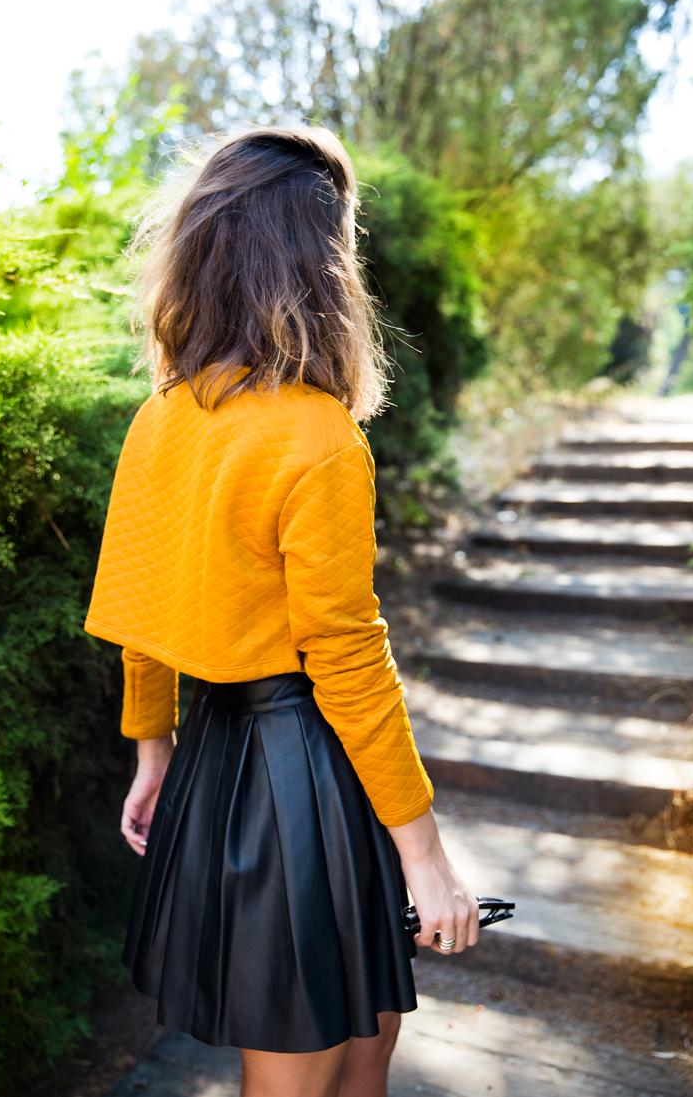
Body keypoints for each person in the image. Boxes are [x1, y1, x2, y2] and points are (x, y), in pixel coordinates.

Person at [83, 123, 480, 1097]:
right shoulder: (316, 437)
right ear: (319, 262)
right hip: (297, 773)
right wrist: (426, 859)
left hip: (229, 762)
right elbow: (346, 656)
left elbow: (140, 607)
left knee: (372, 1030)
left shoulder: (161, 415)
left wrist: (154, 750)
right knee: (303, 1066)